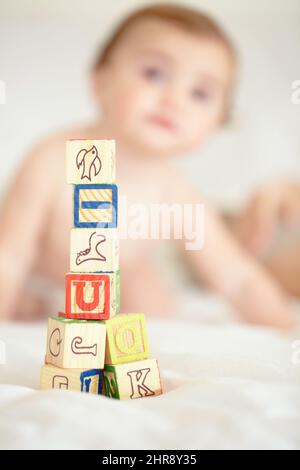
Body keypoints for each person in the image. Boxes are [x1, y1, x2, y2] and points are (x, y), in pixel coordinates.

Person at [0, 4, 295, 327]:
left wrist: (285, 324)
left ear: (217, 124)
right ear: (101, 82)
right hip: (32, 275)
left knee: (152, 305)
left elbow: (236, 279)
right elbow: (10, 256)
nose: (174, 100)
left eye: (199, 93)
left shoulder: (175, 191)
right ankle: (37, 304)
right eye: (154, 74)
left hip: (114, 279)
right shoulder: (51, 159)